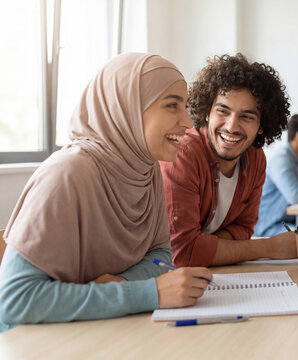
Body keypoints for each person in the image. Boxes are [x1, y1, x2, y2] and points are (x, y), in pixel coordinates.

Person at [0, 53, 212, 332]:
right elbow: (15, 301)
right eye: (172, 106)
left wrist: (121, 285)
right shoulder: (67, 174)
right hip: (34, 342)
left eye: (185, 107)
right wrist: (149, 293)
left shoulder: (145, 169)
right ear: (127, 108)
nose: (188, 122)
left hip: (97, 331)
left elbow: (160, 255)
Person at [160, 54, 295, 267]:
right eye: (223, 111)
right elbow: (183, 253)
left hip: (215, 276)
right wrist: (270, 247)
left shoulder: (255, 158)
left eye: (247, 117)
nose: (231, 126)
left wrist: (204, 247)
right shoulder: (183, 154)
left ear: (261, 126)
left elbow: (244, 228)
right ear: (207, 113)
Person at [254, 114, 298, 237]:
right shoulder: (282, 158)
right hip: (269, 226)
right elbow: (294, 196)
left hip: (289, 221)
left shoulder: (297, 159)